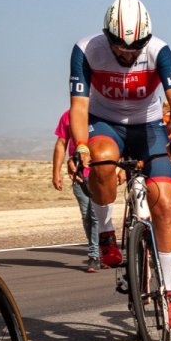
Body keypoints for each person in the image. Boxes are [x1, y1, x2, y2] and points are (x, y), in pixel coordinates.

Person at [69, 0, 171, 328]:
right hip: (105, 122)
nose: (127, 53)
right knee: (102, 161)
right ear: (106, 35)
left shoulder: (159, 50)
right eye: (119, 46)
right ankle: (106, 231)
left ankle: (167, 290)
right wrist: (81, 146)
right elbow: (79, 106)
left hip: (148, 126)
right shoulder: (86, 49)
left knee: (164, 202)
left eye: (135, 46)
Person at [53, 109, 101, 271]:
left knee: (95, 216)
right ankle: (100, 250)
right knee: (86, 216)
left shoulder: (101, 112)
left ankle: (95, 255)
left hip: (99, 174)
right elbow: (61, 144)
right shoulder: (67, 116)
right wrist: (56, 172)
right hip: (78, 174)